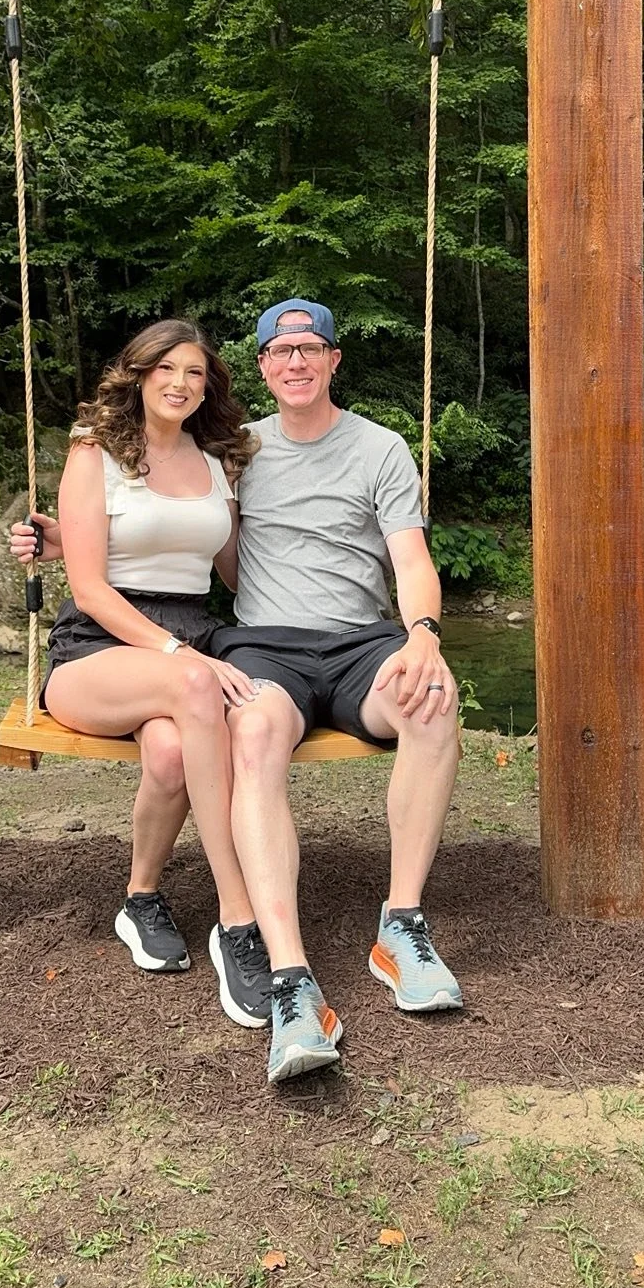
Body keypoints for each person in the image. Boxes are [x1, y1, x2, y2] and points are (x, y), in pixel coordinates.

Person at [217, 299, 463, 1084]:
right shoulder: (236, 450)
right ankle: (291, 981)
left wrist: (421, 631)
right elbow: (175, 525)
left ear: (333, 361)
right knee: (253, 732)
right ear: (261, 366)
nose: (295, 362)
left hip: (362, 642)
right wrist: (58, 538)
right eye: (280, 351)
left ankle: (402, 926)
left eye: (310, 348)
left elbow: (410, 557)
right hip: (264, 645)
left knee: (432, 700)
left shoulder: (381, 447)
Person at [8, 319, 273, 1029]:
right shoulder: (94, 454)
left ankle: (141, 898)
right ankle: (238, 919)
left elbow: (241, 572)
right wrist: (176, 655)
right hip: (100, 642)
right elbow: (91, 587)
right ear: (140, 375)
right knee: (194, 687)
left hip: (191, 633)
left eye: (195, 372)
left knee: (168, 755)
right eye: (167, 369)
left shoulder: (218, 461)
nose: (181, 383)